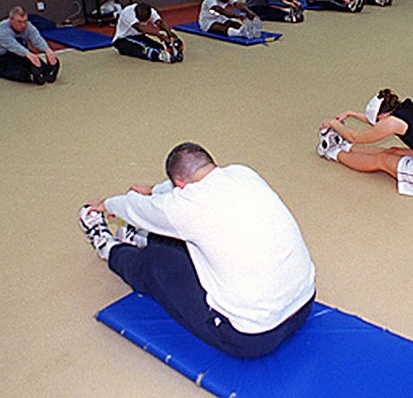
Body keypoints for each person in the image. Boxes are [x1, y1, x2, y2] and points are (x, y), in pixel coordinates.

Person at [78, 142, 316, 358]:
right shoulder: (243, 173)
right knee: (191, 238)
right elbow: (172, 197)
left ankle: (108, 247)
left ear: (179, 185)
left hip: (253, 337)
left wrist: (106, 204)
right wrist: (154, 190)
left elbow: (132, 207)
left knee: (157, 262)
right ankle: (141, 238)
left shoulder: (184, 206)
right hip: (304, 306)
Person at [317, 89, 413, 201]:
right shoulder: (411, 108)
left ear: (382, 116)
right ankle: (345, 148)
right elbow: (378, 124)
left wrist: (333, 123)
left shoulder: (392, 123)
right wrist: (351, 114)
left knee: (383, 159)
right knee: (394, 151)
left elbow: (355, 137)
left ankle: (332, 152)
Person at [0, 5, 59, 84]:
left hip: (19, 54)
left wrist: (47, 50)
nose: (23, 25)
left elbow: (36, 38)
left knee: (42, 68)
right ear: (11, 20)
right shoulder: (1, 30)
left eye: (25, 21)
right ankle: (30, 76)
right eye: (19, 22)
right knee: (20, 72)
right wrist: (30, 55)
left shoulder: (28, 26)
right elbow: (14, 46)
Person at [112, 2, 184, 63]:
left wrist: (169, 32)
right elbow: (141, 28)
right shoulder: (127, 12)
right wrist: (158, 34)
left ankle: (169, 52)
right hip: (122, 39)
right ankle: (160, 56)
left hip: (139, 37)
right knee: (144, 49)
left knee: (159, 47)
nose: (143, 21)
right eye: (141, 20)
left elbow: (159, 22)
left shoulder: (151, 11)